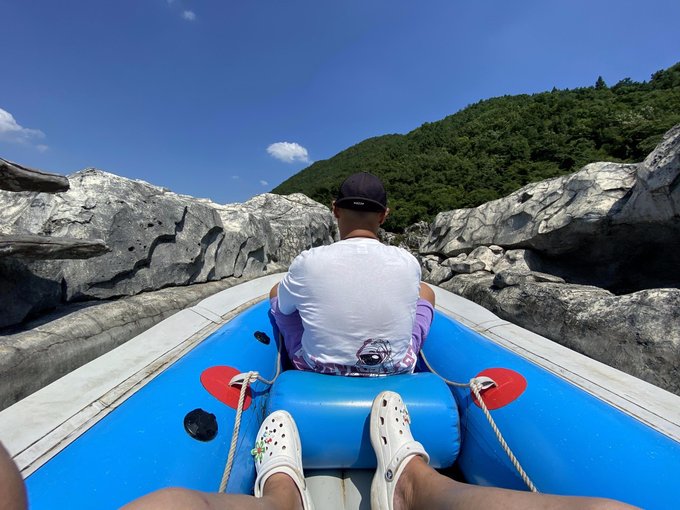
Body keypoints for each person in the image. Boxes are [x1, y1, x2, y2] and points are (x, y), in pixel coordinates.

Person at [123, 172, 637, 510]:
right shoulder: (407, 262)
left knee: (282, 299)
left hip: (317, 368)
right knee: (424, 296)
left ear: (335, 211)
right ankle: (412, 480)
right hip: (396, 366)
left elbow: (284, 310)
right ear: (385, 217)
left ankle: (283, 493)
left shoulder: (309, 261)